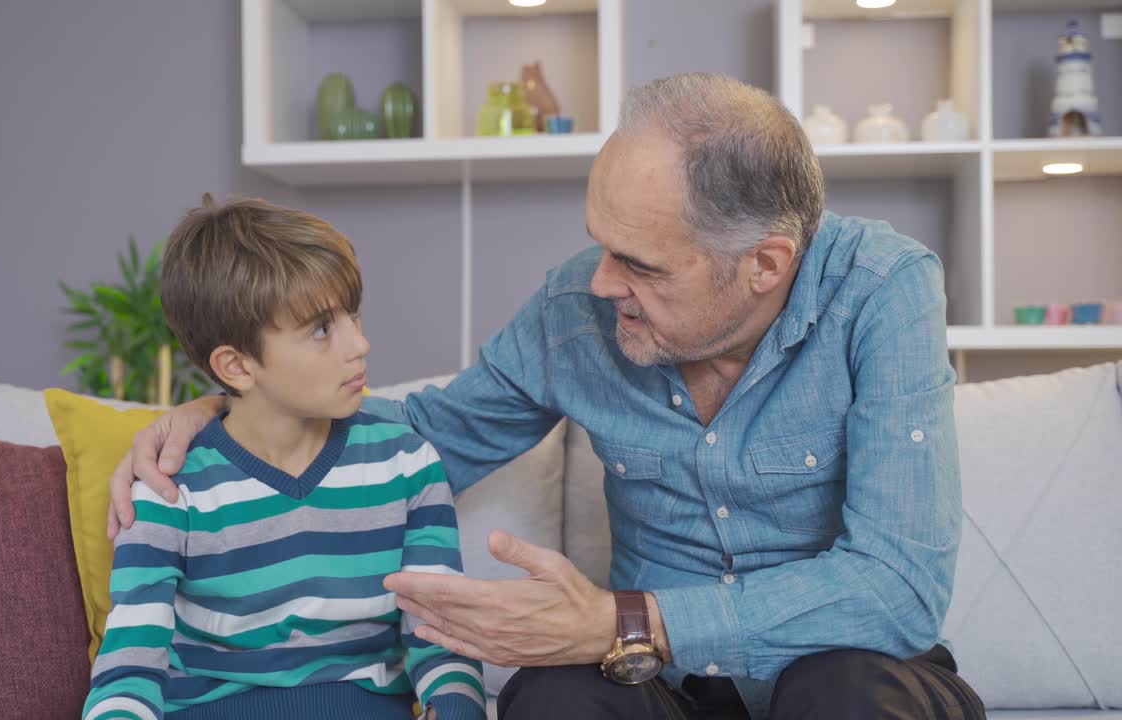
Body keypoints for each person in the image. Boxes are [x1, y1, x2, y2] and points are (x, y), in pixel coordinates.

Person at [106, 74, 986, 719]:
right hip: (666, 689)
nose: (602, 284)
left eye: (640, 264)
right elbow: (418, 440)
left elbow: (898, 587)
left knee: (842, 696)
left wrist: (621, 618)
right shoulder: (579, 309)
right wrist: (229, 411)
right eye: (601, 244)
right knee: (552, 701)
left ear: (764, 265)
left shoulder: (884, 290)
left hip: (848, 675)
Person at [83, 196, 485, 720]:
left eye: (353, 316)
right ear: (237, 366)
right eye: (321, 329)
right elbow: (130, 670)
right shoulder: (169, 489)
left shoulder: (407, 463)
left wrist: (454, 707)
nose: (359, 344)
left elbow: (440, 638)